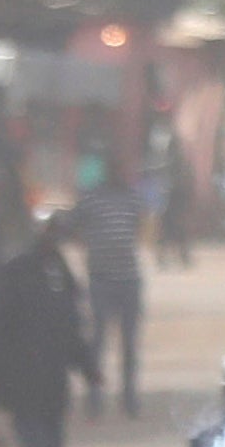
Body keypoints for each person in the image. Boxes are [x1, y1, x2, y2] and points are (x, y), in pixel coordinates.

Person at [0, 205, 89, 447]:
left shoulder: (59, 272)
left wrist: (88, 366)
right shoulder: (18, 271)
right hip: (25, 386)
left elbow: (71, 327)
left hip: (53, 386)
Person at [74, 155, 152, 415]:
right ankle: (94, 399)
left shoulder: (132, 199)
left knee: (129, 345)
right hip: (100, 280)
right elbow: (76, 226)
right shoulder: (91, 200)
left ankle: (129, 399)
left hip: (128, 279)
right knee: (97, 343)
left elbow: (141, 226)